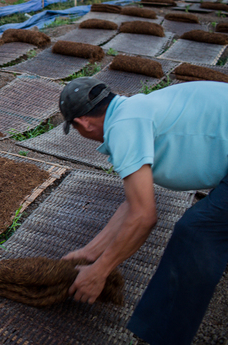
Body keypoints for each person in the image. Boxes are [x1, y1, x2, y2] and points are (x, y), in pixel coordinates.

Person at [58, 77, 228, 345]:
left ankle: (161, 338)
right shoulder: (133, 110)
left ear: (82, 124)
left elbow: (143, 216)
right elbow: (132, 204)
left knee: (197, 233)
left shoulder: (124, 126)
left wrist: (100, 271)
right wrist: (90, 252)